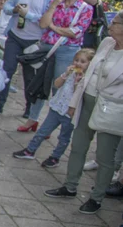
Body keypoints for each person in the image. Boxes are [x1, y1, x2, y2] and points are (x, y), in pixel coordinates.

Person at [46, 15, 123, 214]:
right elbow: (88, 74)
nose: (110, 25)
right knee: (78, 146)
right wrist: (74, 101)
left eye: (115, 23)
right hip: (86, 102)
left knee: (105, 156)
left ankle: (96, 198)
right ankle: (70, 186)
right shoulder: (107, 42)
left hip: (110, 109)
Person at [16, 0, 93, 132]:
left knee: (59, 86)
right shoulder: (56, 2)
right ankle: (33, 119)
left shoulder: (85, 8)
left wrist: (55, 28)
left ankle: (50, 126)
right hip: (47, 47)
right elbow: (44, 23)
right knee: (40, 83)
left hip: (68, 50)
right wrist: (53, 7)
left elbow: (75, 32)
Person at [13, 48, 94, 168]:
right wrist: (66, 74)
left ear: (89, 65)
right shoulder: (70, 73)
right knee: (43, 131)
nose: (78, 63)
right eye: (76, 60)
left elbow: (78, 95)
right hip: (57, 107)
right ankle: (30, 150)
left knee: (63, 137)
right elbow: (56, 84)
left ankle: (55, 157)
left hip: (69, 113)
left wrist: (77, 82)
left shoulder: (87, 79)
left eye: (82, 62)